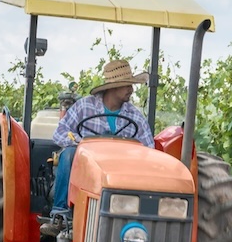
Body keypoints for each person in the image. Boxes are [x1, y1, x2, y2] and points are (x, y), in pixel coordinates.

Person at [45, 59, 154, 231]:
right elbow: (60, 132)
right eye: (127, 85)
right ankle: (60, 214)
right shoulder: (85, 106)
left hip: (119, 170)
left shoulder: (135, 115)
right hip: (87, 167)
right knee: (69, 154)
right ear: (113, 87)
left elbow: (149, 150)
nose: (131, 90)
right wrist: (80, 143)